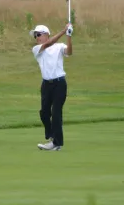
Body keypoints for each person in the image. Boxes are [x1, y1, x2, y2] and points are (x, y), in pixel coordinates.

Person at [29, 23, 73, 151]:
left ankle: (56, 142)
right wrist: (63, 31)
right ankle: (52, 137)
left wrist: (69, 36)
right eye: (35, 36)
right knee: (44, 113)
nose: (36, 37)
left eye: (38, 34)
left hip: (59, 84)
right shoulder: (37, 49)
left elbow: (69, 52)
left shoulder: (59, 47)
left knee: (56, 113)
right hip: (46, 85)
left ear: (46, 34)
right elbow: (48, 44)